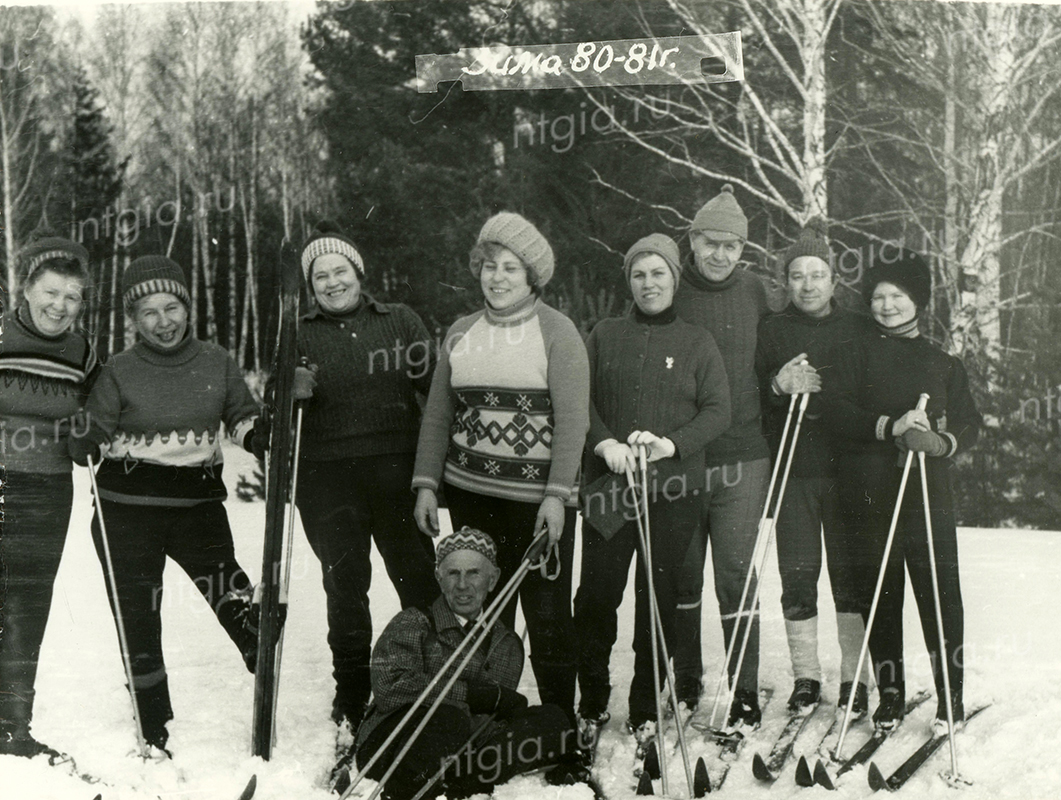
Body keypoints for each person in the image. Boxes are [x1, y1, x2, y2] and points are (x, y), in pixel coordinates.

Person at [68, 256, 265, 755]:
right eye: (149, 312)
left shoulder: (217, 362)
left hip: (196, 500)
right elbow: (92, 433)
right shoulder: (118, 371)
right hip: (125, 506)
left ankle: (257, 639)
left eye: (171, 306)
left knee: (226, 584)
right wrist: (85, 435)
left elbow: (240, 416)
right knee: (139, 619)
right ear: (133, 319)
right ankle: (153, 728)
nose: (163, 321)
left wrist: (259, 435)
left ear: (187, 307)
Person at [413, 212, 589, 720]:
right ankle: (489, 720)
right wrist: (427, 486)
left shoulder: (558, 332)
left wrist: (557, 496)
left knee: (548, 616)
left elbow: (574, 420)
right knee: (482, 615)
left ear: (532, 275)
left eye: (511, 267)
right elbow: (438, 414)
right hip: (470, 497)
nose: (498, 277)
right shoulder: (462, 331)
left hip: (536, 507)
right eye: (489, 266)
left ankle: (559, 724)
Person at [574, 234, 731, 746]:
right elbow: (581, 400)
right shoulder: (605, 334)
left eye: (658, 273)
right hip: (610, 489)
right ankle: (592, 700)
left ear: (674, 279)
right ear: (629, 282)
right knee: (596, 596)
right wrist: (603, 445)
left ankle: (645, 706)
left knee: (657, 597)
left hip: (672, 490)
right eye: (639, 275)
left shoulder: (697, 341)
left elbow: (718, 411)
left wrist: (672, 444)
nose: (648, 284)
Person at [823, 249, 981, 734]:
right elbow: (834, 413)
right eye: (878, 296)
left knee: (938, 594)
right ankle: (890, 692)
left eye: (898, 296)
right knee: (881, 593)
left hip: (926, 494)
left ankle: (949, 695)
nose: (887, 305)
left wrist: (939, 441)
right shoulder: (853, 355)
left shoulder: (943, 363)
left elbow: (971, 424)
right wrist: (889, 426)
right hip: (870, 494)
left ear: (919, 301)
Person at [293, 221, 439, 734]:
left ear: (358, 272)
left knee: (418, 578)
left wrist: (430, 475)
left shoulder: (399, 321)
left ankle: (428, 678)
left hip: (396, 469)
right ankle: (352, 694)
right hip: (327, 478)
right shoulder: (298, 332)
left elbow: (438, 394)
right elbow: (274, 418)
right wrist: (291, 390)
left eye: (340, 271)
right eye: (320, 278)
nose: (332, 283)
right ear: (311, 289)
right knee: (346, 586)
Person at [354, 528, 587, 799]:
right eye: (453, 573)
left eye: (474, 573)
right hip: (392, 745)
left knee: (553, 719)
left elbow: (489, 721)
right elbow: (390, 687)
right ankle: (413, 787)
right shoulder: (415, 622)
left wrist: (508, 712)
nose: (463, 584)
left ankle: (459, 781)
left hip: (466, 748)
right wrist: (470, 694)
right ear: (439, 578)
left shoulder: (505, 642)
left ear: (493, 579)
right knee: (447, 719)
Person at [754, 219, 872, 716]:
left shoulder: (858, 327)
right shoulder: (773, 328)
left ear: (833, 280)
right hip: (796, 471)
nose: (807, 284)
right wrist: (779, 385)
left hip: (846, 471)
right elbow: (752, 397)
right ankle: (806, 675)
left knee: (849, 576)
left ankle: (855, 676)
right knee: (798, 575)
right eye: (797, 275)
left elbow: (872, 392)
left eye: (817, 274)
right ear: (786, 280)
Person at [670, 184, 776, 727]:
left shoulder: (758, 292)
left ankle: (744, 689)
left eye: (731, 246)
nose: (719, 255)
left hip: (743, 457)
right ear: (692, 240)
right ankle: (684, 683)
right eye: (710, 242)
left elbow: (783, 351)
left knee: (736, 574)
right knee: (683, 575)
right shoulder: (670, 287)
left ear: (743, 251)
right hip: (681, 459)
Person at [0, 236, 98, 759]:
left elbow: (99, 410)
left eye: (72, 297)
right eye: (51, 292)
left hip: (47, 488)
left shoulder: (84, 352)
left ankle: (13, 729)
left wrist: (89, 432)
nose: (59, 306)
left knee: (27, 604)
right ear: (27, 288)